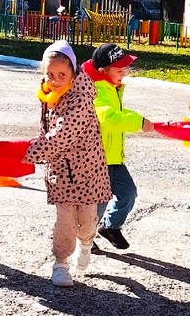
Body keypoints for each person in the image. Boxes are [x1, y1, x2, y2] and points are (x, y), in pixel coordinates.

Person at [24, 41, 111, 287]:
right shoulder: (48, 95)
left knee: (87, 222)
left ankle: (86, 243)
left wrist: (31, 152)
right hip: (61, 171)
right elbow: (46, 129)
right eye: (50, 74)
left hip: (88, 170)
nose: (55, 80)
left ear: (73, 72)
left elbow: (63, 134)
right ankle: (60, 263)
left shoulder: (80, 99)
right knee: (65, 221)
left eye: (62, 75)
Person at [82, 42, 155, 251]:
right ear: (103, 71)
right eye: (119, 70)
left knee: (128, 193)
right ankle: (84, 238)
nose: (124, 74)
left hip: (114, 158)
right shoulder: (95, 90)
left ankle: (110, 226)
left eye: (125, 70)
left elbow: (119, 113)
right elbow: (108, 117)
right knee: (99, 203)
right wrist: (138, 122)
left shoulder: (112, 88)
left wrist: (140, 120)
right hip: (97, 160)